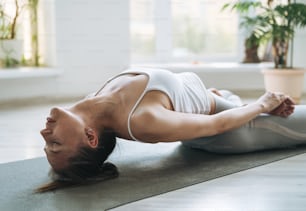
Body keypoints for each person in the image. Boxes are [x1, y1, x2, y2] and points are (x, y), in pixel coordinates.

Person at [38, 67, 306, 192]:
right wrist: (261, 104)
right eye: (55, 145)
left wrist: (202, 95)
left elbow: (174, 91)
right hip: (234, 131)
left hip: (222, 107)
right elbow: (216, 124)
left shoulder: (96, 96)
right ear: (90, 137)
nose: (44, 135)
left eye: (48, 145)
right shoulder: (141, 120)